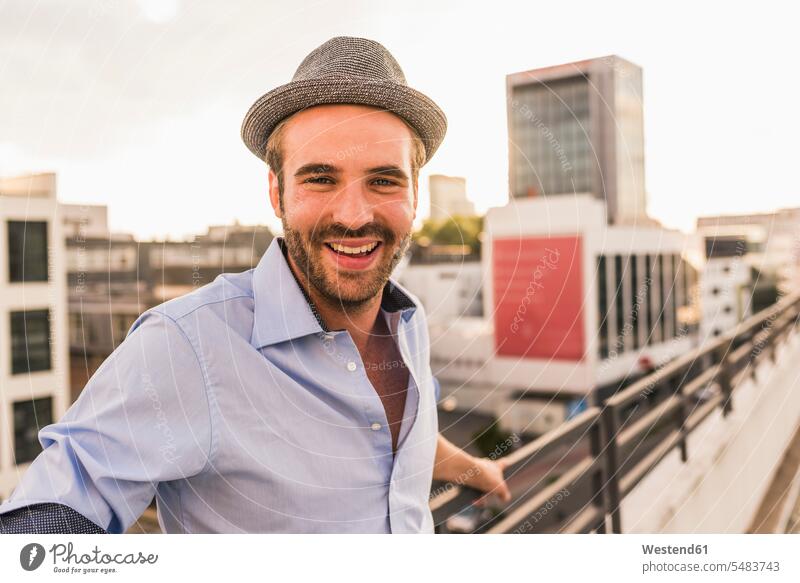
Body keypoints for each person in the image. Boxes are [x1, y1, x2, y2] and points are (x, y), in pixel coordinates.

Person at [0, 36, 510, 534]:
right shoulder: (188, 345)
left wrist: (471, 468)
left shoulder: (409, 318)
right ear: (276, 191)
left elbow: (394, 437)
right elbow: (51, 517)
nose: (354, 216)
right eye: (320, 178)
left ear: (415, 194)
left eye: (383, 180)